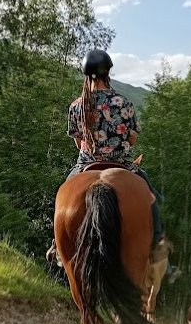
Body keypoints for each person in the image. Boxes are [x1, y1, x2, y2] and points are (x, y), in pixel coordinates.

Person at [55, 49, 181, 284]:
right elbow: (132, 140)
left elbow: (78, 142)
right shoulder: (124, 103)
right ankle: (158, 249)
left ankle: (56, 246)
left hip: (86, 164)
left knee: (64, 194)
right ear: (108, 72)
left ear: (86, 74)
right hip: (122, 165)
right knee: (150, 198)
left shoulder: (76, 106)